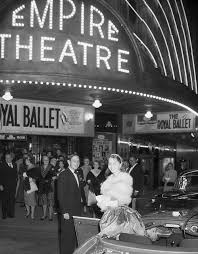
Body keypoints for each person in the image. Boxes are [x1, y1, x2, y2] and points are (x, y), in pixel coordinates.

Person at [96, 153, 158, 242]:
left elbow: (124, 198)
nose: (112, 166)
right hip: (111, 213)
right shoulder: (110, 177)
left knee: (120, 236)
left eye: (114, 163)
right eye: (110, 163)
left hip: (119, 213)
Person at [57, 153, 82, 254]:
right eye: (74, 161)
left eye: (78, 161)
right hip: (67, 211)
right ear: (68, 162)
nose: (77, 163)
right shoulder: (64, 174)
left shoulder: (77, 173)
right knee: (66, 237)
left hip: (75, 210)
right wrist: (64, 211)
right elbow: (60, 195)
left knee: (73, 235)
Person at [0, 153, 18, 219]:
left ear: (11, 158)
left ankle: (11, 214)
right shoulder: (2, 165)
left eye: (8, 157)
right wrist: (0, 185)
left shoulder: (15, 164)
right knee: (4, 201)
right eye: (6, 158)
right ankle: (4, 215)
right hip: (4, 186)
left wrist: (16, 183)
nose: (7, 159)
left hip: (13, 186)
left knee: (11, 200)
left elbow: (15, 174)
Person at [23, 155, 40, 220]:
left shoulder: (33, 167)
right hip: (25, 185)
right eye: (25, 160)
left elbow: (36, 176)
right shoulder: (25, 167)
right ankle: (28, 212)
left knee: (32, 200)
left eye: (27, 160)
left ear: (30, 160)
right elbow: (23, 176)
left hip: (31, 185)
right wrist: (24, 177)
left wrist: (31, 178)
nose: (26, 161)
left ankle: (32, 214)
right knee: (26, 199)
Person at [39, 155, 55, 221]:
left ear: (49, 160)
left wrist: (50, 178)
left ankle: (50, 216)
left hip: (50, 186)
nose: (46, 161)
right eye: (44, 160)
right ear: (42, 160)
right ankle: (44, 215)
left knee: (50, 201)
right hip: (43, 186)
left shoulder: (52, 167)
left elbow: (54, 177)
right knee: (44, 201)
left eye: (47, 160)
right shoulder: (40, 167)